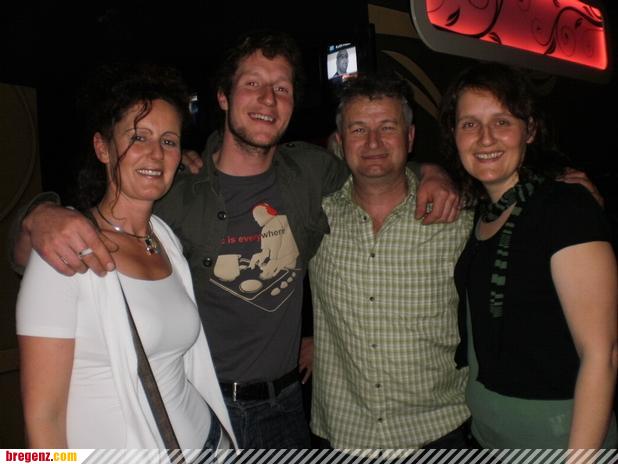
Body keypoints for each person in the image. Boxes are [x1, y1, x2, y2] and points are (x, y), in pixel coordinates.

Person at [13, 30, 460, 449]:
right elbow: (36, 253)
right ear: (224, 97)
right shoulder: (174, 192)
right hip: (202, 405)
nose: (268, 98)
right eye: (252, 84)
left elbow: (376, 165)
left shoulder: (311, 173)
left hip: (288, 408)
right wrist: (38, 216)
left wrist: (431, 172)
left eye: (282, 88)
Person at [16, 63, 237, 452]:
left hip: (209, 441)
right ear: (103, 148)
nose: (156, 153)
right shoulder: (65, 251)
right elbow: (43, 417)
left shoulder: (163, 238)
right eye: (138, 137)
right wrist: (36, 215)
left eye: (169, 141)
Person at [440, 62, 618, 449]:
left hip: (558, 435)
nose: (485, 138)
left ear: (530, 130)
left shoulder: (564, 208)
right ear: (454, 134)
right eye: (469, 124)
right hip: (489, 433)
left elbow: (601, 354)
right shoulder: (483, 215)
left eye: (502, 121)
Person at [309, 73, 473, 451]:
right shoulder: (314, 216)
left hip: (439, 431)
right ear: (340, 142)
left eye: (387, 127)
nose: (373, 143)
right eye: (358, 129)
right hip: (345, 434)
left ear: (410, 138)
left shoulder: (459, 217)